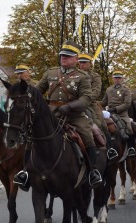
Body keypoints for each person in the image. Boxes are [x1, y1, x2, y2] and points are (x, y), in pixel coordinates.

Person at [30, 40, 102, 189]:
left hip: (74, 115)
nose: (64, 58)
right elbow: (37, 91)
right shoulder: (50, 73)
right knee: (31, 133)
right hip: (51, 115)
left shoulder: (83, 76)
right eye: (62, 55)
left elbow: (87, 98)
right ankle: (25, 170)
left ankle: (92, 172)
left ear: (76, 59)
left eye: (68, 56)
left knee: (88, 135)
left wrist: (70, 106)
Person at [78, 52, 118, 160]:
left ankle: (110, 149)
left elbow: (96, 92)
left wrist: (83, 100)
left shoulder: (95, 76)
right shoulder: (74, 74)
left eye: (84, 62)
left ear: (90, 63)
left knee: (101, 124)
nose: (82, 65)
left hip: (90, 104)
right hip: (74, 104)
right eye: (80, 62)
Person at [101, 70, 136, 157]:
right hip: (109, 114)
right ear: (113, 78)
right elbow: (104, 102)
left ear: (122, 79)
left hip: (122, 114)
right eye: (116, 77)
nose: (117, 79)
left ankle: (131, 148)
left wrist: (116, 109)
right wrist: (94, 103)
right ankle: (108, 148)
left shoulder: (126, 90)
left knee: (129, 127)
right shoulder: (109, 89)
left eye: (119, 78)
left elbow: (127, 104)